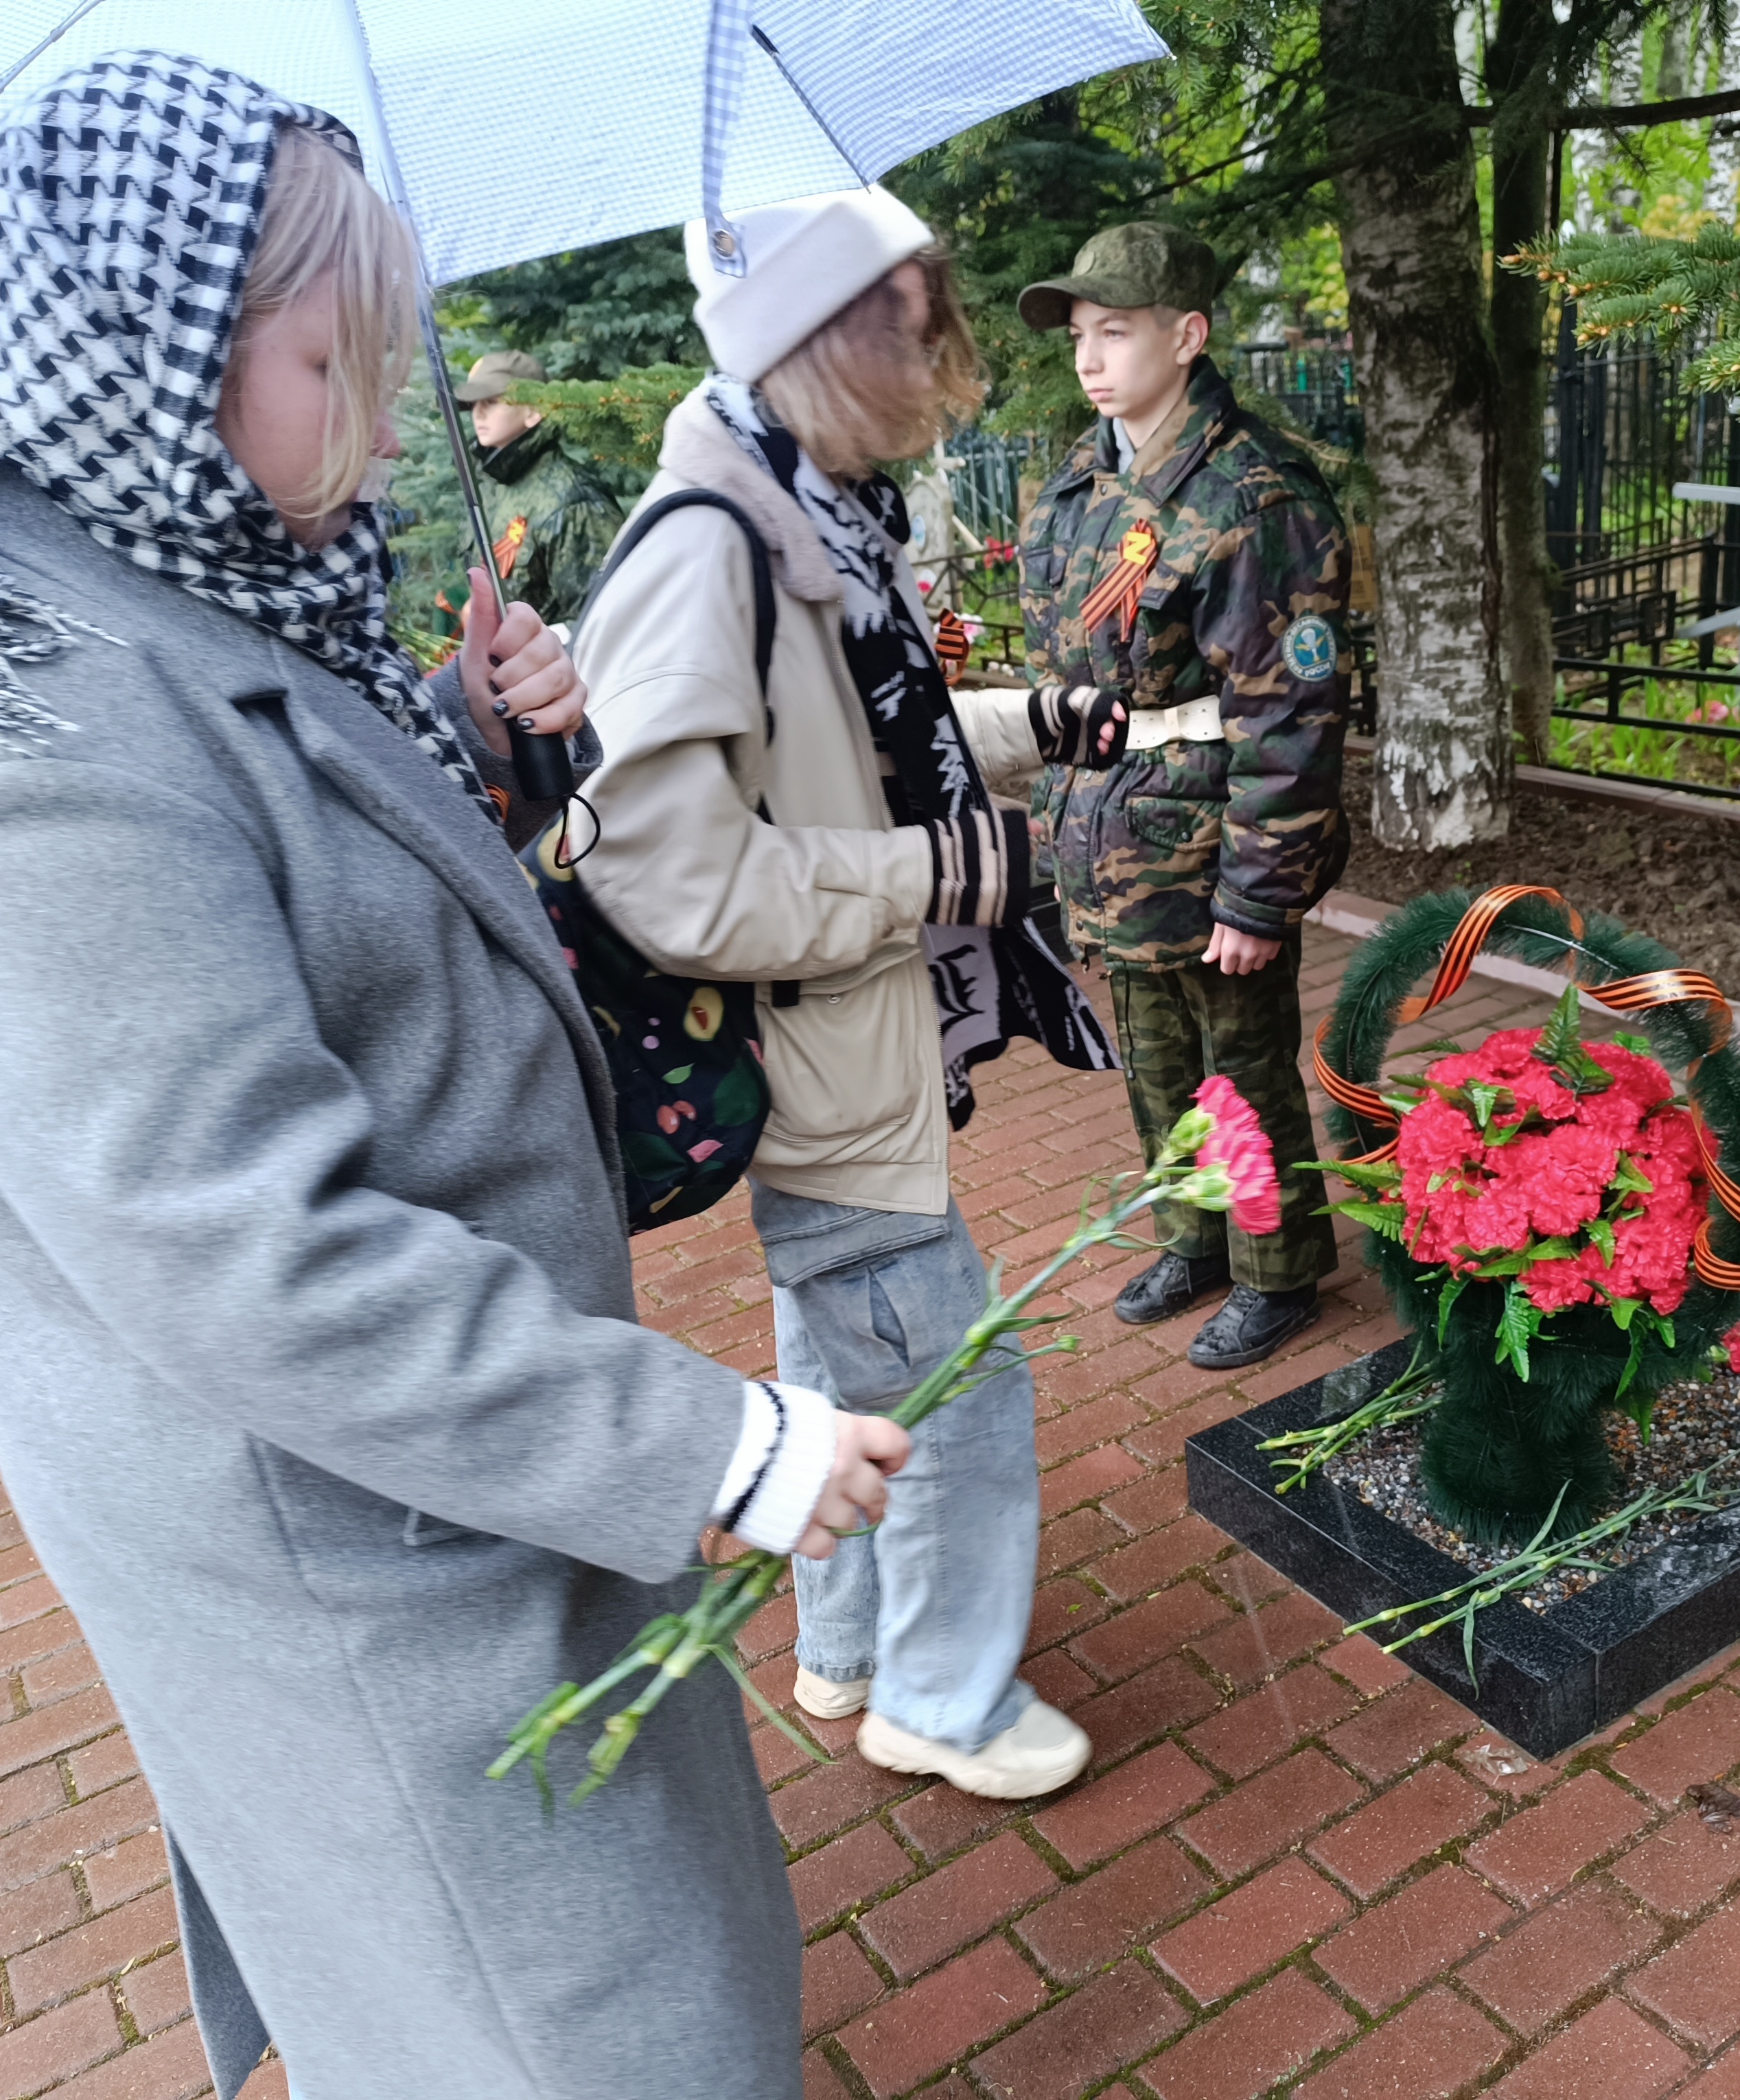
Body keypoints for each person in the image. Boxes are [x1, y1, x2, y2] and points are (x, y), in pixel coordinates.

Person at [0, 57, 896, 2099]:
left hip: (443, 1464)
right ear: (153, 338)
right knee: (564, 2025)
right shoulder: (6, 731)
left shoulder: (116, 572)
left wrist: (460, 734)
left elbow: (263, 864)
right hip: (367, 1520)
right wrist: (707, 1452)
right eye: (328, 359)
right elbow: (243, 1250)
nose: (376, 424)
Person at [508, 188, 1120, 1801]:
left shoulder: (805, 519)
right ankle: (943, 1697)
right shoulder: (709, 548)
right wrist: (942, 878)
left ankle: (844, 1651)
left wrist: (1033, 727)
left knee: (853, 1375)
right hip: (818, 1065)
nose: (945, 373)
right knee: (954, 1390)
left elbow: (848, 750)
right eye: (916, 338)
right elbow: (676, 878)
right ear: (831, 345)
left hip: (842, 1053)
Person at [1013, 222, 1352, 1370]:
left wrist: (1259, 897)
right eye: (1079, 336)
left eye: (1115, 332)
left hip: (1208, 841)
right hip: (1114, 833)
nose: (1089, 359)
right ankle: (1193, 1236)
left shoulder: (1257, 498)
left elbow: (1292, 715)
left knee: (1238, 1065)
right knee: (1154, 1058)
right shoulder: (1087, 480)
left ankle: (1277, 1265)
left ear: (1188, 335)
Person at [447, 347, 623, 627]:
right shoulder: (490, 486)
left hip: (552, 668)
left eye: (492, 401)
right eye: (474, 403)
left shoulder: (573, 500)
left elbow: (603, 622)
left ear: (534, 411)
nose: (478, 413)